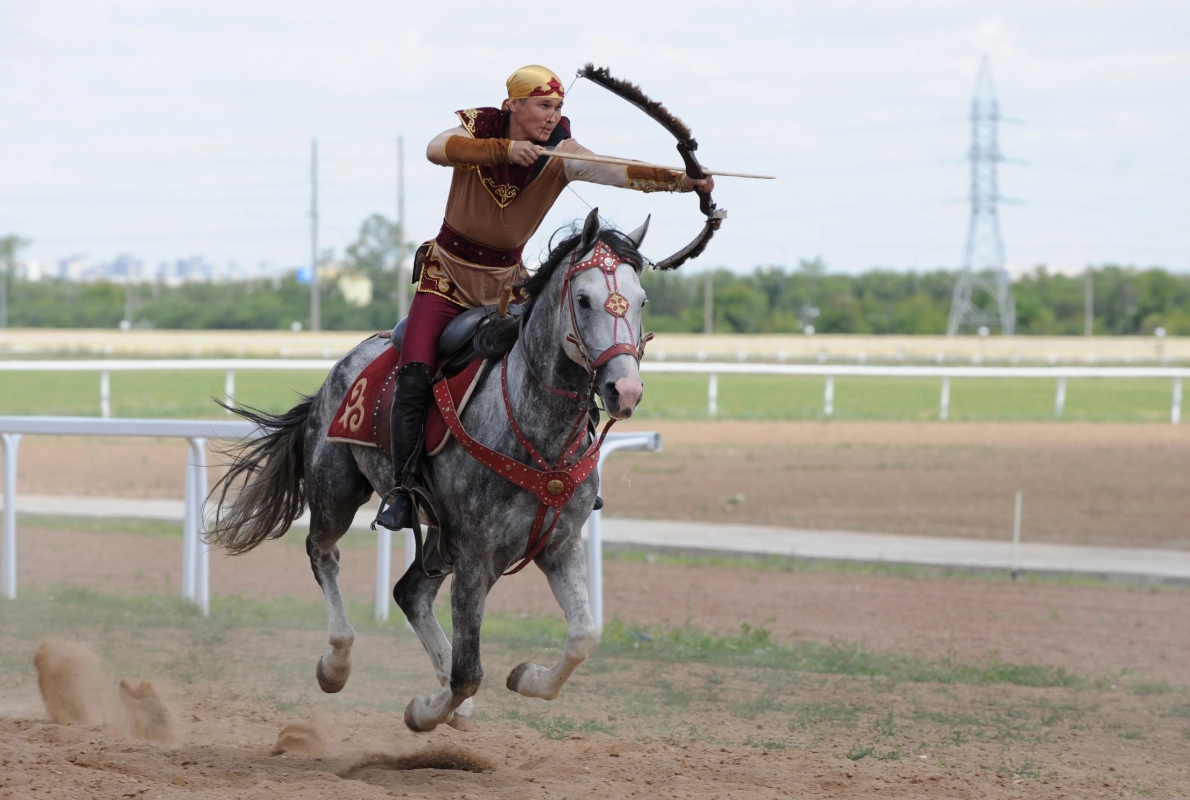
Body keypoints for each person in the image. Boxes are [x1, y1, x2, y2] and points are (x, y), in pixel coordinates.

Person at [377, 64, 714, 531]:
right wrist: (504, 149)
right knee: (414, 372)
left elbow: (609, 169)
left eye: (558, 106)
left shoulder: (561, 151)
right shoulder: (481, 129)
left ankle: (578, 472)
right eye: (542, 105)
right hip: (446, 280)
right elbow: (437, 149)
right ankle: (402, 489)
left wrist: (679, 181)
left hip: (509, 286)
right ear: (513, 105)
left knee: (570, 358)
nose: (552, 115)